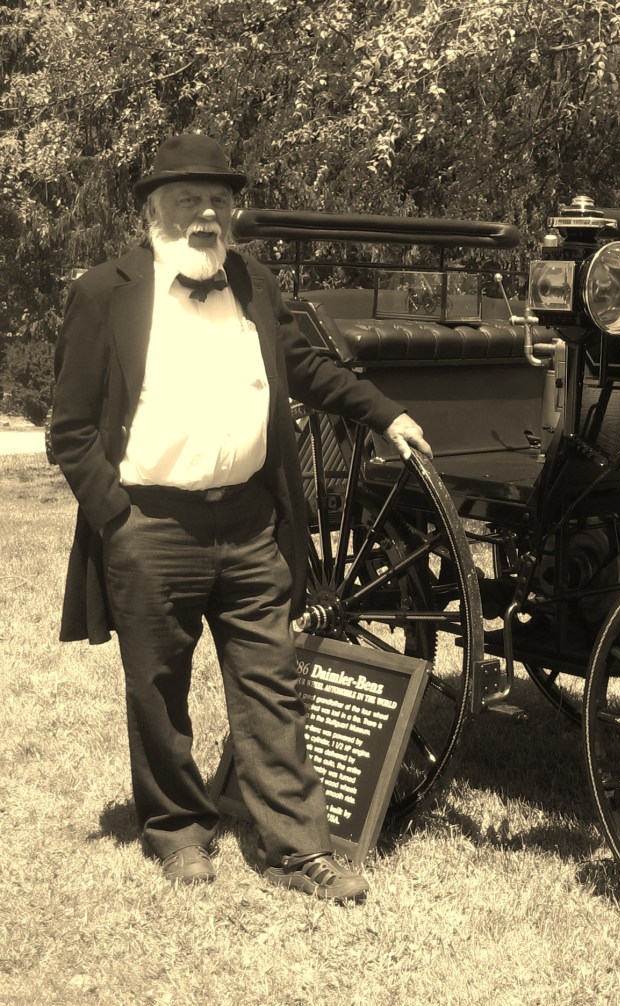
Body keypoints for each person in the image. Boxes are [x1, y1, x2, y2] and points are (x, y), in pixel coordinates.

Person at [50, 133, 432, 902]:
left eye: (219, 201)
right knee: (158, 689)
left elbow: (307, 368)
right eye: (188, 200)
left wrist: (385, 414)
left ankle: (300, 850)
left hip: (252, 526)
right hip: (150, 527)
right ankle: (178, 830)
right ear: (155, 212)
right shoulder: (104, 292)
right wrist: (116, 514)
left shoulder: (253, 280)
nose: (206, 215)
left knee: (272, 684)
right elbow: (71, 427)